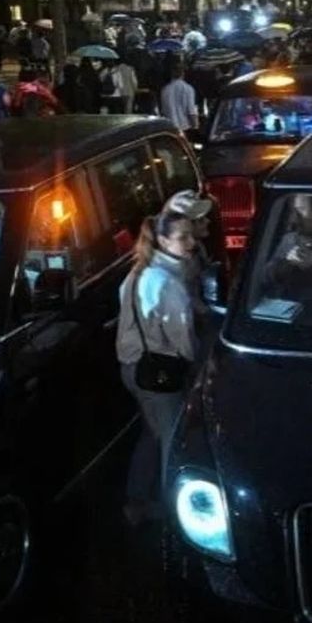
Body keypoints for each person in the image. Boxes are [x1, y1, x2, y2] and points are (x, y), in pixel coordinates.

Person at [116, 210, 205, 525]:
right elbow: (184, 343)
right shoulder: (168, 284)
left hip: (132, 368)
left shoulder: (137, 273)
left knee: (151, 432)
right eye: (183, 238)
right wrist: (201, 369)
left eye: (191, 235)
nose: (191, 243)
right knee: (172, 439)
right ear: (164, 240)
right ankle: (173, 514)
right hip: (159, 374)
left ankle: (135, 500)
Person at [159, 58, 199, 131]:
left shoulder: (165, 89)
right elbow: (191, 111)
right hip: (185, 127)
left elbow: (163, 111)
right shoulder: (188, 88)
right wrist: (195, 126)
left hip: (169, 127)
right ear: (183, 73)